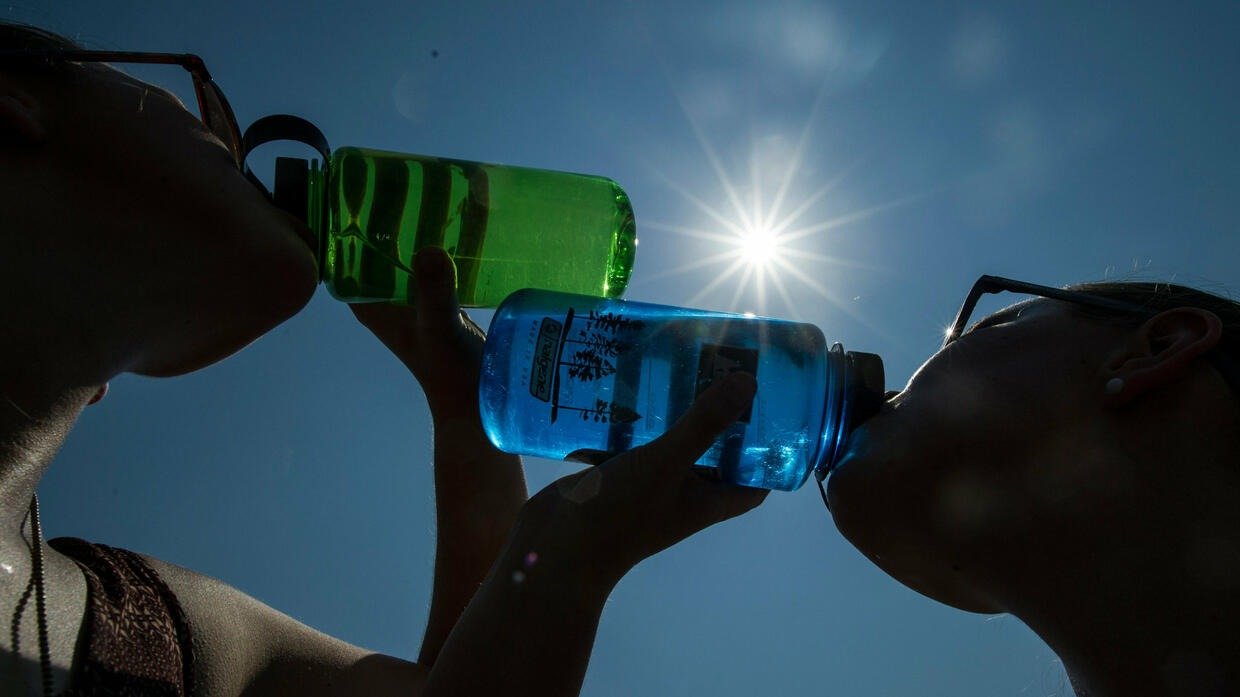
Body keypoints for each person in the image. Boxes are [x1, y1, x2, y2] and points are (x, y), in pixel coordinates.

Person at [0, 22, 766, 697]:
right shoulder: (160, 639)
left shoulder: (156, 630)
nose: (238, 147)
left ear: (101, 387)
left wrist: (479, 427)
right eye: (202, 106)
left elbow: (449, 687)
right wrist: (566, 550)